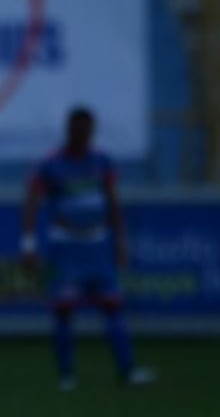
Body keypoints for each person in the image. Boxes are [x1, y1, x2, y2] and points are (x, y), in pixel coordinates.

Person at [21, 106, 156, 391]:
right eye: (77, 129)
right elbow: (32, 203)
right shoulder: (51, 164)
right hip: (66, 247)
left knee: (113, 307)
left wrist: (120, 242)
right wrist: (29, 244)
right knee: (64, 311)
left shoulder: (102, 162)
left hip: (97, 246)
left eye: (86, 129)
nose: (82, 134)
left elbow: (113, 203)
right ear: (68, 129)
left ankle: (127, 370)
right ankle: (66, 375)